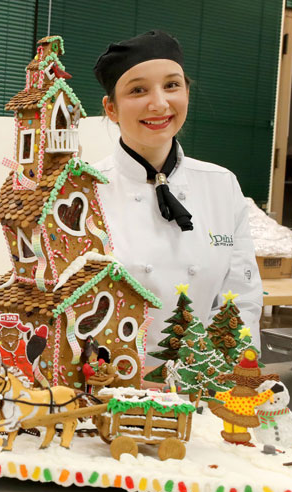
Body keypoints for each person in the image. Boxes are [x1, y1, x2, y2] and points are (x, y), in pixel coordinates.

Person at [91, 30, 263, 357]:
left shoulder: (222, 185)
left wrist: (209, 375)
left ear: (187, 92)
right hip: (111, 387)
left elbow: (242, 300)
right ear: (110, 109)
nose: (159, 103)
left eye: (172, 85)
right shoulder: (84, 190)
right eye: (138, 89)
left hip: (202, 387)